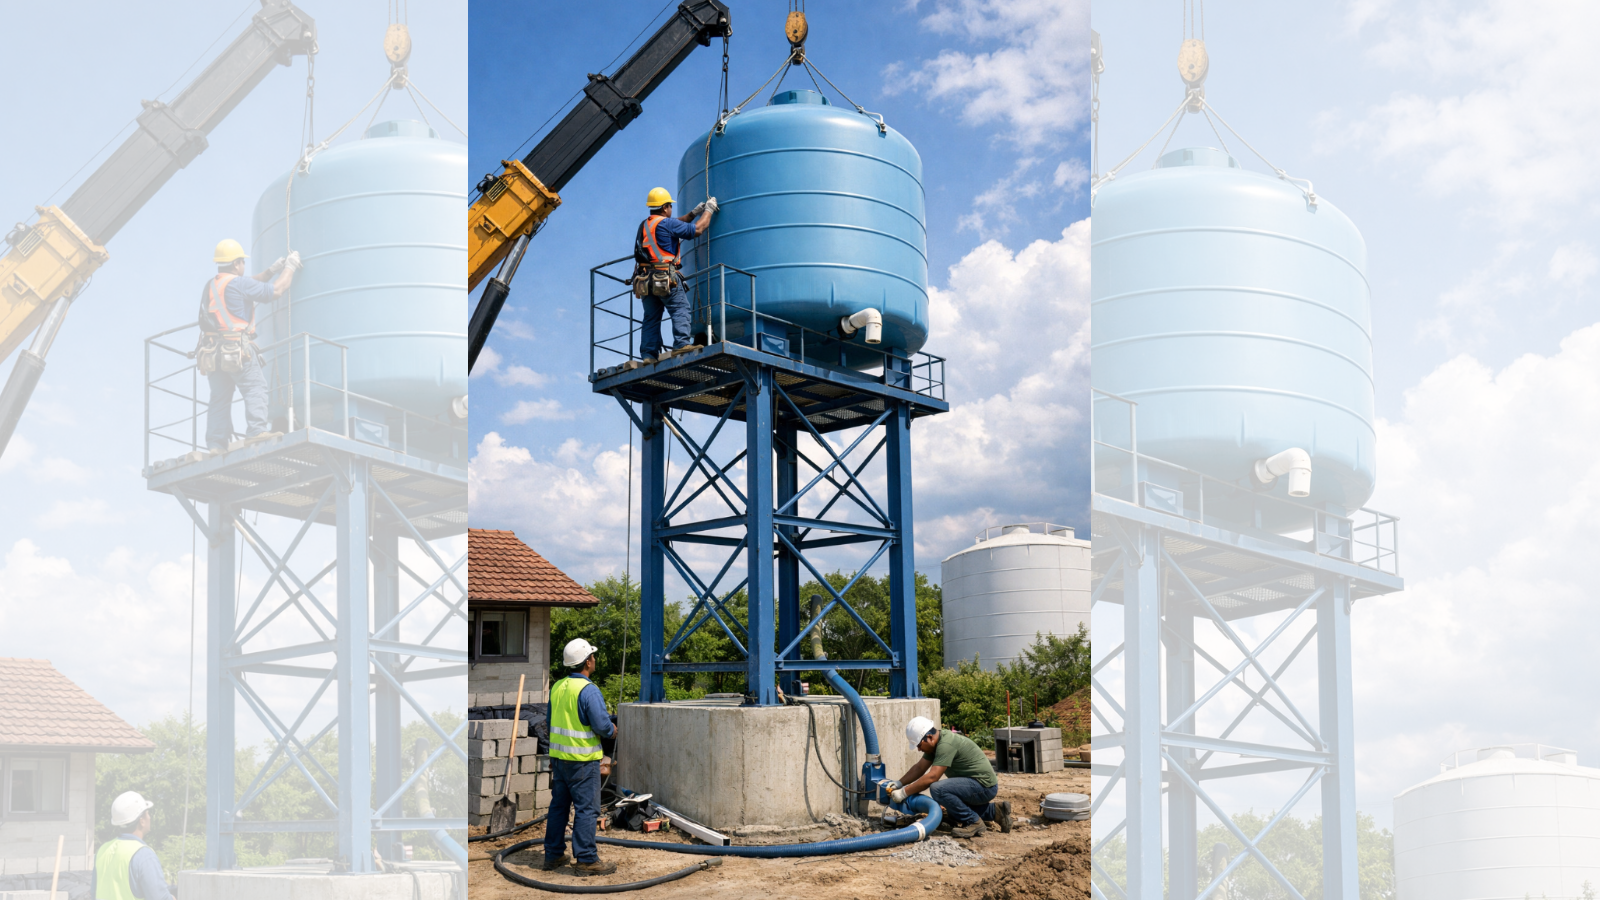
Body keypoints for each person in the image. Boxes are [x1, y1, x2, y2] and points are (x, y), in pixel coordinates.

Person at [198, 239, 298, 454]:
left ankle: (216, 445)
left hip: (212, 353)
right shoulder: (239, 284)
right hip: (236, 349)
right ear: (236, 264)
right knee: (255, 388)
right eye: (242, 262)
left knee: (219, 399)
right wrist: (291, 266)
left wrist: (271, 270)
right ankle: (256, 433)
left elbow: (253, 282)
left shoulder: (213, 285)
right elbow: (278, 290)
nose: (244, 266)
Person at [543, 637, 619, 876]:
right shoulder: (588, 690)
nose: (594, 659)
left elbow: (549, 722)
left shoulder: (557, 687)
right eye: (593, 657)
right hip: (583, 763)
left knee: (559, 808)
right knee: (587, 810)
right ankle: (586, 859)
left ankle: (553, 855)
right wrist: (612, 730)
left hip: (559, 760)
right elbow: (602, 726)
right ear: (587, 662)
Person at [888, 715, 1012, 839]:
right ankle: (996, 812)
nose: (919, 749)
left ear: (929, 737)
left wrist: (904, 793)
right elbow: (919, 768)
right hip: (978, 784)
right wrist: (899, 783)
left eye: (919, 745)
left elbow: (933, 777)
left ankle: (974, 822)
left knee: (938, 789)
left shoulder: (946, 744)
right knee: (952, 810)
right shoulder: (935, 745)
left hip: (984, 786)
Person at [632, 187, 715, 364]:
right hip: (664, 277)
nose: (671, 209)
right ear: (664, 207)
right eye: (670, 206)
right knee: (680, 309)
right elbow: (699, 229)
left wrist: (693, 213)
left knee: (651, 318)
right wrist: (709, 210)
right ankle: (681, 345)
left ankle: (648, 355)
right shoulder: (667, 224)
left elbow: (678, 223)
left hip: (645, 280)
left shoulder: (646, 225)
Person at [94, 790, 177, 899]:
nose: (150, 817)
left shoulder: (102, 850)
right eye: (147, 813)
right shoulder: (143, 855)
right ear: (141, 821)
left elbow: (94, 893)